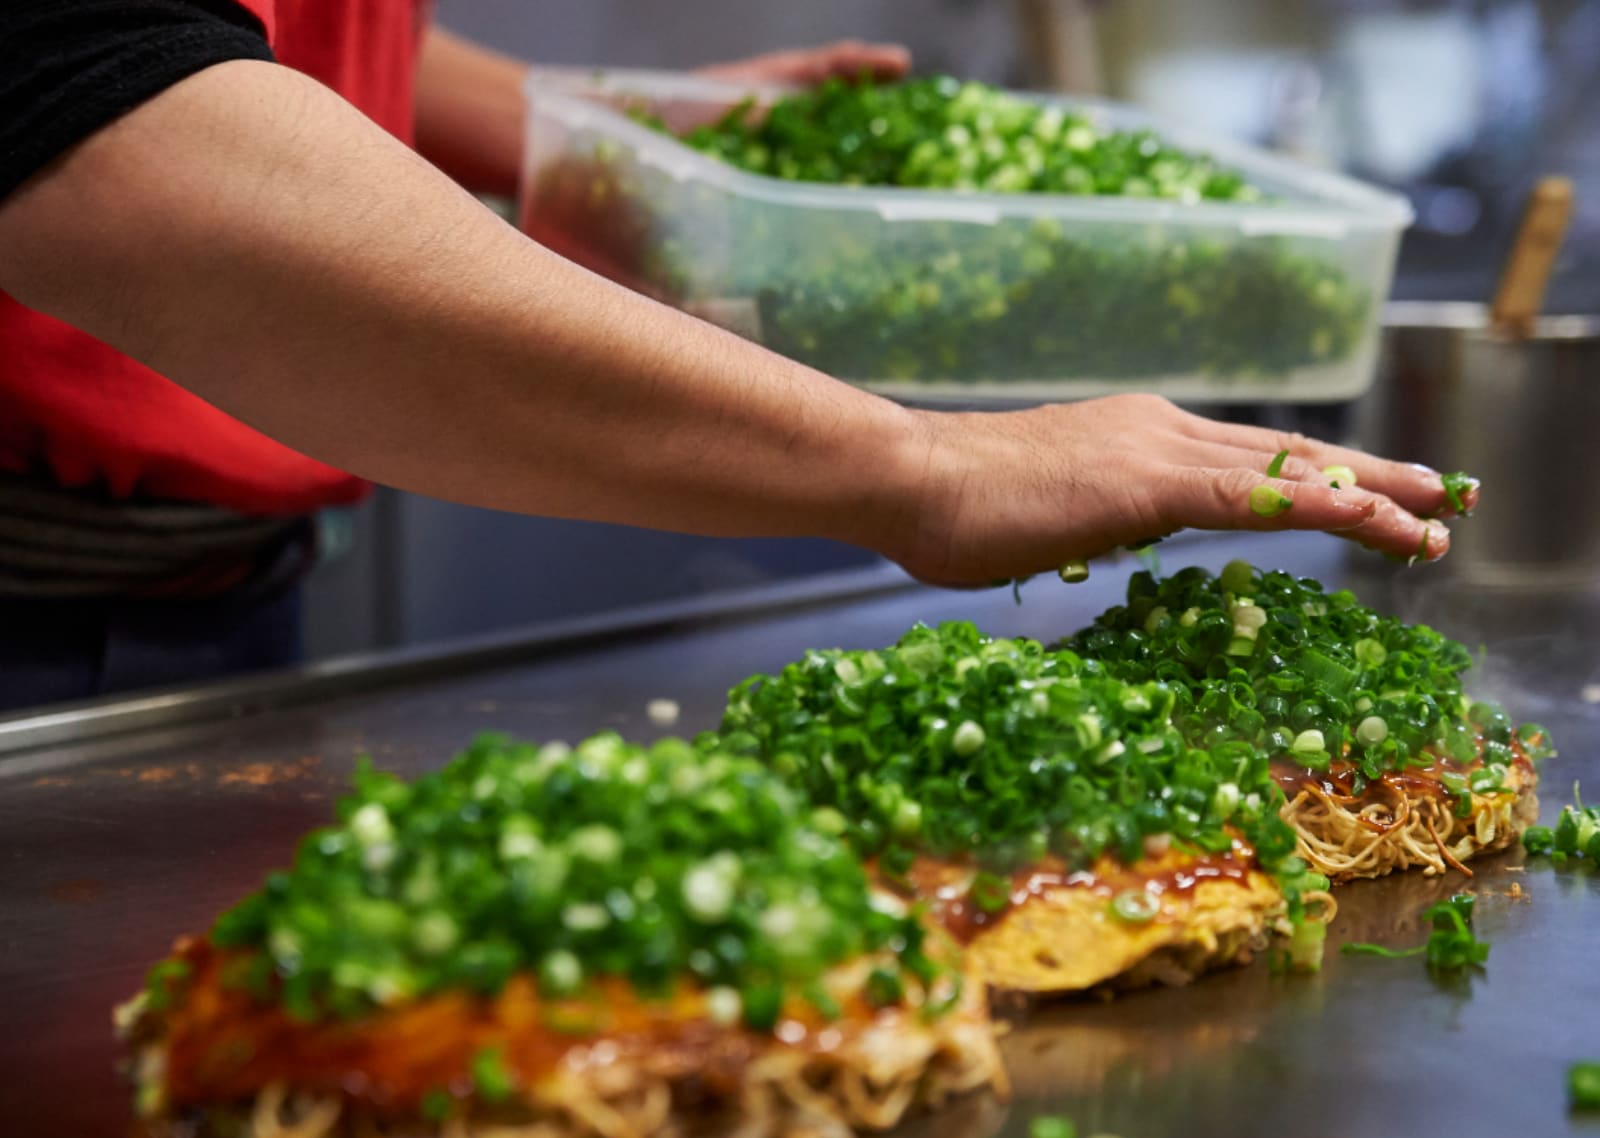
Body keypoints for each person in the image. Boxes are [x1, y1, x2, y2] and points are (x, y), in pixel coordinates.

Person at [0, 1, 1467, 712]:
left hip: (222, 591)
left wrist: (594, 134)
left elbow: (239, 22)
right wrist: (922, 466)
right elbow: (99, 112)